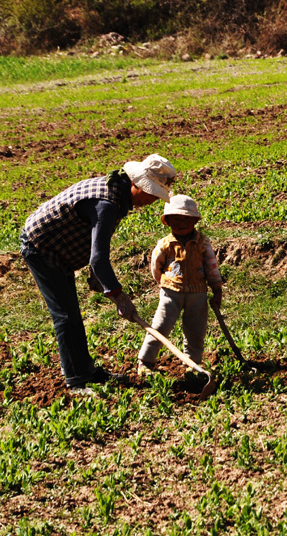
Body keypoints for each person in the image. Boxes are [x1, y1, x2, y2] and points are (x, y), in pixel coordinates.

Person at [20, 154, 177, 391]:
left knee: (71, 314)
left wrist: (98, 276)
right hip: (41, 247)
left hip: (58, 249)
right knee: (65, 316)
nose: (153, 200)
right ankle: (76, 380)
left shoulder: (116, 192)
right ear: (136, 184)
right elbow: (98, 258)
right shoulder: (107, 203)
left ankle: (87, 372)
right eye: (151, 193)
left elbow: (95, 242)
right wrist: (119, 297)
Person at [137, 194, 223, 374]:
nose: (181, 223)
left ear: (194, 221)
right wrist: (163, 282)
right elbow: (156, 266)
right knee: (160, 327)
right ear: (167, 221)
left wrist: (216, 288)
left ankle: (192, 364)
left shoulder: (202, 243)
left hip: (197, 294)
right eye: (176, 218)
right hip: (171, 293)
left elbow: (212, 267)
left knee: (195, 331)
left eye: (186, 219)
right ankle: (145, 362)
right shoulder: (165, 244)